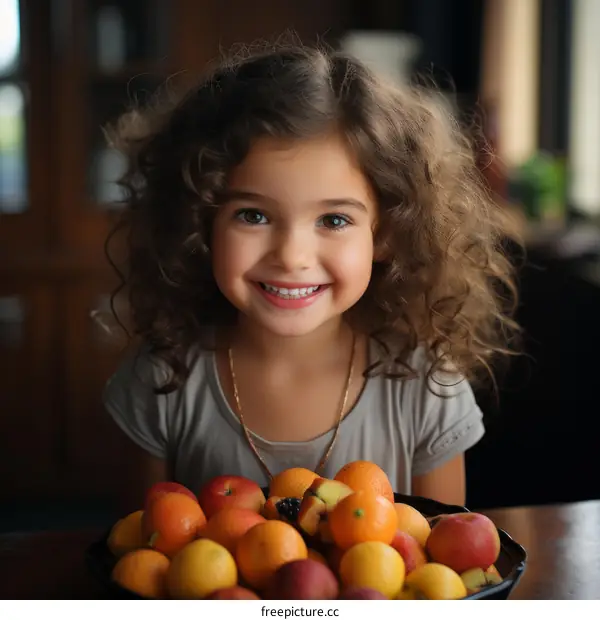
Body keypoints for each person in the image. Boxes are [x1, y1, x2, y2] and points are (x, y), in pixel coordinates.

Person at [100, 41, 520, 512]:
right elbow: (136, 562)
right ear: (200, 222)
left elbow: (443, 572)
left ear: (385, 234)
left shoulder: (427, 391)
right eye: (253, 215)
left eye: (334, 220)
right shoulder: (161, 382)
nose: (292, 256)